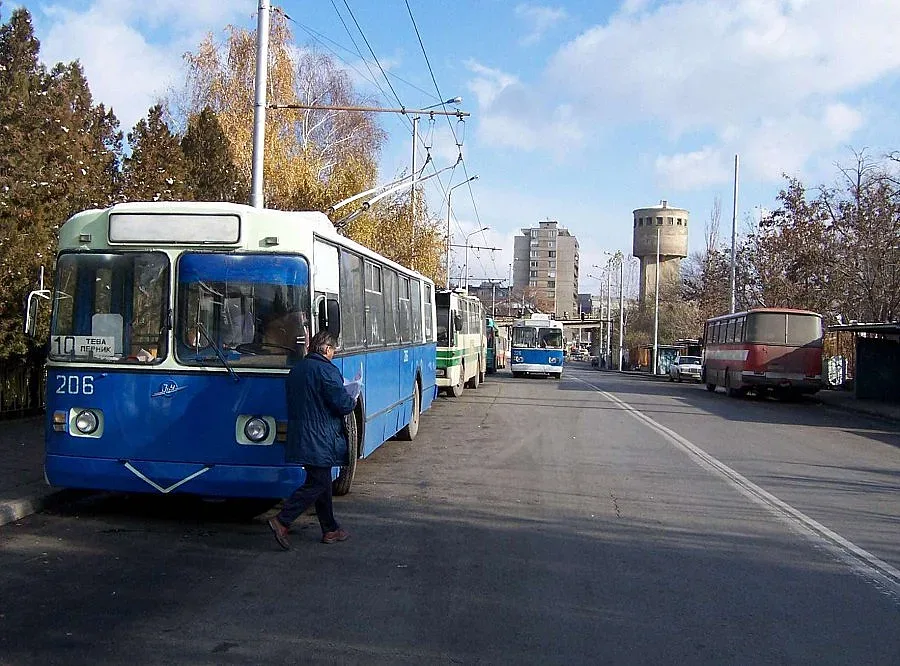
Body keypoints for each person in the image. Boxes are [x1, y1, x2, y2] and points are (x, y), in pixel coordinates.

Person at [267, 330, 356, 550]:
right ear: (326, 349)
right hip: (320, 437)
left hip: (302, 436)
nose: (333, 354)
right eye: (333, 350)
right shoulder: (327, 371)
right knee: (317, 483)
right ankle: (282, 520)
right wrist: (353, 398)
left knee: (322, 482)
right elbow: (342, 404)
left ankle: (330, 529)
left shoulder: (297, 369)